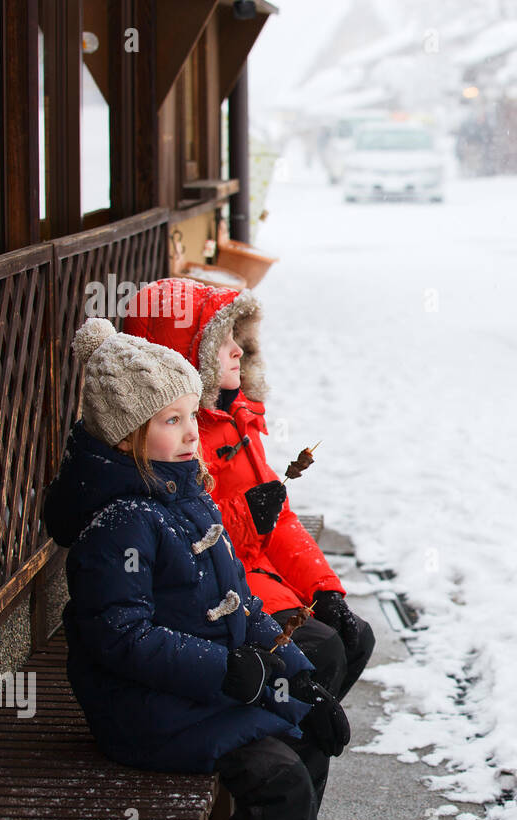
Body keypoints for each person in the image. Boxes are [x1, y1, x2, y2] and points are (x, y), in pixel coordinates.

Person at [43, 317, 351, 820]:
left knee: (308, 736)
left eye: (191, 415)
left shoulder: (187, 496)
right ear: (126, 434)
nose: (192, 433)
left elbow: (245, 603)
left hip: (195, 694)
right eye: (172, 420)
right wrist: (228, 670)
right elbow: (122, 638)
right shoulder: (120, 524)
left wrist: (299, 676)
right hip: (145, 712)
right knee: (280, 780)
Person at [123, 278, 373, 706]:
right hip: (221, 594)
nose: (238, 350)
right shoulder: (172, 439)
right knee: (320, 653)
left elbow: (278, 519)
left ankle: (297, 741)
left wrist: (324, 590)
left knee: (355, 637)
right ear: (188, 355)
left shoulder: (235, 415)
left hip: (258, 577)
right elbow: (183, 544)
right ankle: (280, 746)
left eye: (239, 338)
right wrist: (246, 515)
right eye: (223, 341)